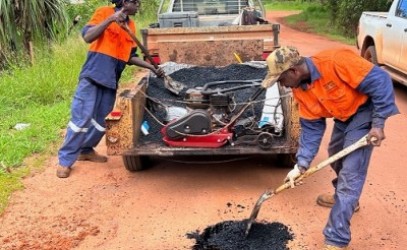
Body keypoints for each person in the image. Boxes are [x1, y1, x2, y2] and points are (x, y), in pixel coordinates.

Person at [262, 46, 399, 249]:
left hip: (365, 112)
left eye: (281, 79)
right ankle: (348, 200)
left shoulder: (336, 61)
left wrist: (378, 124)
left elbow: (381, 81)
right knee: (335, 154)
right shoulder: (300, 90)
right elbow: (311, 127)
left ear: (293, 72)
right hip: (344, 117)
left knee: (351, 174)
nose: (281, 85)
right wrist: (301, 165)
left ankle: (336, 238)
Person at [57, 0, 164, 178]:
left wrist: (151, 67)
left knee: (101, 122)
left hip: (111, 79)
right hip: (92, 75)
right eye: (135, 2)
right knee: (81, 118)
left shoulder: (131, 25)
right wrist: (110, 19)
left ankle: (86, 149)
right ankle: (65, 160)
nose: (138, 6)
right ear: (123, 2)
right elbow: (87, 36)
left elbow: (130, 57)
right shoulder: (104, 12)